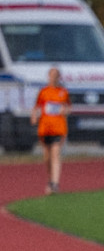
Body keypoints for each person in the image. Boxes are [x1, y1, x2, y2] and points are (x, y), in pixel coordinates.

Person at [31, 67, 70, 195]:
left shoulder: (63, 92)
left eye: (56, 75)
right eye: (52, 75)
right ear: (48, 76)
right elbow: (36, 107)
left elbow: (68, 107)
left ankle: (55, 183)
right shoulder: (43, 92)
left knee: (56, 154)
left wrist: (66, 111)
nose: (54, 78)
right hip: (45, 128)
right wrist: (34, 116)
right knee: (47, 157)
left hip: (59, 128)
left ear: (59, 77)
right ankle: (50, 179)